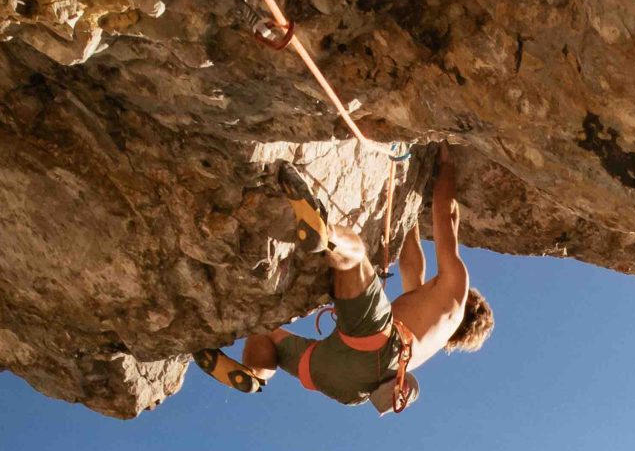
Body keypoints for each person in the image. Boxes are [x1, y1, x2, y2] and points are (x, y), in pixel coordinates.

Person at [195, 162, 492, 413]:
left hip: (377, 346)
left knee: (354, 257)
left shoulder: (456, 287)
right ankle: (254, 374)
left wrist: (447, 165)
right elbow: (412, 265)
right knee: (265, 330)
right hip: (347, 387)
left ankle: (324, 234)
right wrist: (408, 212)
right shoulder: (436, 328)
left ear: (469, 300)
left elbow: (446, 214)